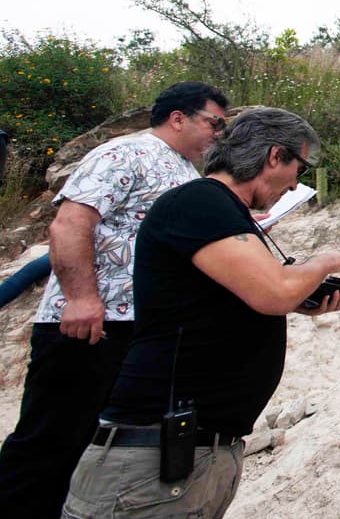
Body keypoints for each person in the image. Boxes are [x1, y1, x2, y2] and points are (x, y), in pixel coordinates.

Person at [60, 106, 340, 519]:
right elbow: (272, 292)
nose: (294, 185)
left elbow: (244, 295)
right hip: (155, 461)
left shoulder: (218, 210)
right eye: (298, 168)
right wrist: (322, 263)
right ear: (275, 156)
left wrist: (300, 298)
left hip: (186, 456)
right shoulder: (201, 202)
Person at [0, 81, 229, 518]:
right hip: (89, 324)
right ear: (178, 117)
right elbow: (69, 225)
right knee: (51, 441)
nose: (219, 133)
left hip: (139, 330)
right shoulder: (123, 153)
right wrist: (82, 299)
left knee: (98, 446)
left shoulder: (185, 171)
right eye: (214, 122)